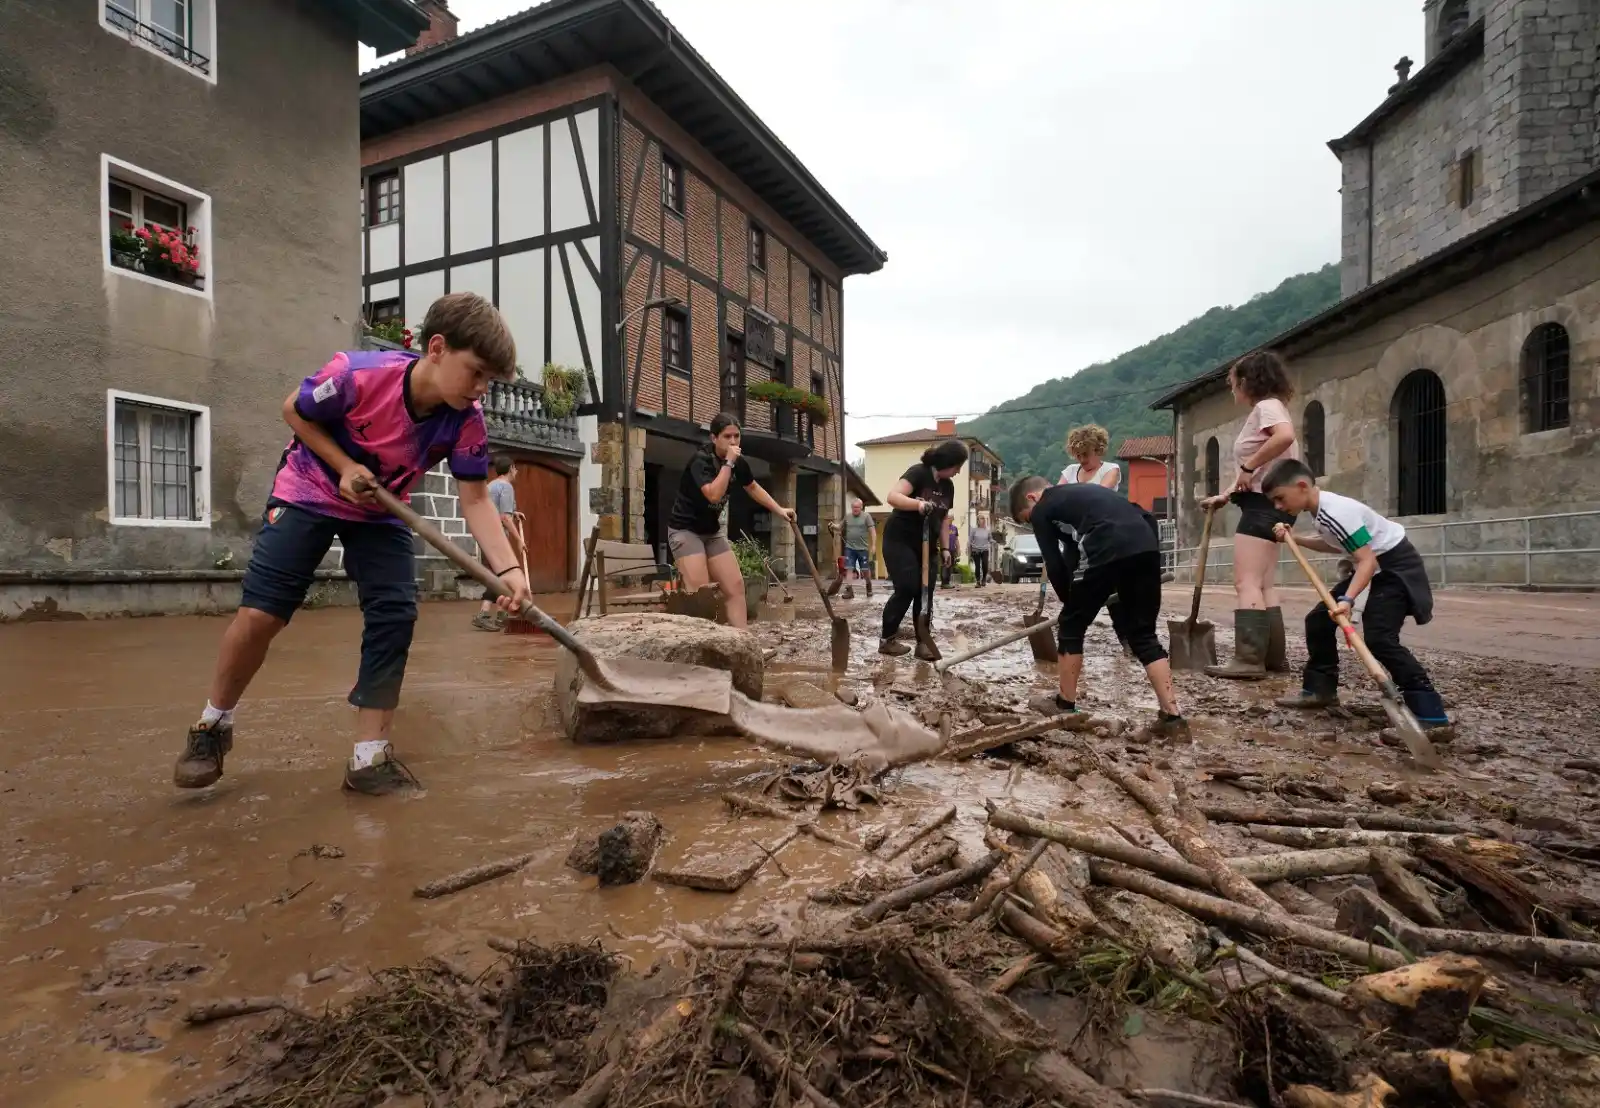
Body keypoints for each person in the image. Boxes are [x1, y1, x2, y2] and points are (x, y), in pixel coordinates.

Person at [173, 292, 530, 796]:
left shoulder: (465, 420)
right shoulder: (358, 375)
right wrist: (343, 467)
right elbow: (293, 411)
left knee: (395, 614)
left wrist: (510, 571)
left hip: (382, 510)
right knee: (262, 615)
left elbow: (474, 501)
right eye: (475, 373)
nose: (479, 391)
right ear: (436, 348)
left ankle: (369, 756)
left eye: (489, 382)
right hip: (308, 490)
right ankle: (212, 726)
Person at [1261, 459, 1452, 740]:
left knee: (1380, 639)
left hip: (1395, 568)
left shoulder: (1335, 512)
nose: (1278, 506)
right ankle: (1319, 690)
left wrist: (1348, 600)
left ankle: (1431, 715)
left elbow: (1367, 561)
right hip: (1376, 565)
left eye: (1279, 498)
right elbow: (1339, 544)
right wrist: (1297, 539)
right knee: (1318, 621)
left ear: (1301, 486)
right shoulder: (1322, 512)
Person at [1010, 476, 1187, 739]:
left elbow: (1054, 561)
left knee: (1071, 626)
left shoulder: (1043, 508)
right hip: (1146, 547)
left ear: (1031, 498)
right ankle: (1173, 719)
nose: (1031, 521)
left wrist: (1068, 604)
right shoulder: (1090, 494)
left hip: (1104, 545)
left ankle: (1065, 705)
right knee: (1143, 634)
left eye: (1026, 518)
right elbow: (1146, 517)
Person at [1198, 350, 1299, 679]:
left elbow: (1284, 438)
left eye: (1233, 384)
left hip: (1262, 507)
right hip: (1272, 503)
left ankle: (1249, 660)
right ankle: (1272, 659)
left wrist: (1247, 464)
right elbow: (1259, 469)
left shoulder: (1266, 407)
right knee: (1265, 583)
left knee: (1247, 582)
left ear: (1246, 381)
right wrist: (1226, 495)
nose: (1232, 390)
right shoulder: (1272, 407)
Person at [667, 413, 795, 629]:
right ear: (714, 438)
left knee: (735, 587)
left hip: (711, 532)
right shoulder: (701, 460)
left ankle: (742, 643)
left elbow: (752, 487)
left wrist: (779, 509)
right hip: (685, 530)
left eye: (737, 436)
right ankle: (703, 647)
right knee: (701, 593)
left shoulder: (739, 463)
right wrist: (728, 463)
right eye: (728, 436)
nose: (734, 442)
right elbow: (714, 495)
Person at [880, 439, 969, 660]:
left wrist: (946, 548)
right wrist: (918, 505)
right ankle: (887, 639)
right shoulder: (918, 473)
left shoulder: (948, 486)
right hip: (899, 539)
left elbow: (944, 519)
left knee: (926, 592)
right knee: (908, 587)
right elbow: (893, 497)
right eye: (957, 467)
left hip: (927, 544)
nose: (958, 472)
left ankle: (923, 643)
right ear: (948, 462)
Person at [472, 453, 522, 631]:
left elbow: (496, 509)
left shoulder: (491, 485)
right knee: (500, 576)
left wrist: (515, 513)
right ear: (510, 469)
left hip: (485, 535)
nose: (516, 471)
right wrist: (519, 540)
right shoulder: (506, 487)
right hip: (497, 538)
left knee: (499, 575)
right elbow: (504, 518)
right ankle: (484, 614)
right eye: (515, 468)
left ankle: (501, 614)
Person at [1058, 424, 1122, 490]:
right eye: (1078, 455)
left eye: (1085, 454)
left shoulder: (1110, 469)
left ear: (1098, 450)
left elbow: (1101, 493)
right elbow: (1057, 494)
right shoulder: (1070, 471)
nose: (1082, 460)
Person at [834, 498, 876, 597]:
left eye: (857, 507)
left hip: (863, 548)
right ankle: (849, 590)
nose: (855, 509)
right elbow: (840, 526)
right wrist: (833, 526)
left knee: (865, 569)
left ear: (861, 507)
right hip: (850, 548)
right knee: (849, 568)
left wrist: (873, 545)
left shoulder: (866, 516)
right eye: (853, 507)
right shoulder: (848, 517)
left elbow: (872, 531)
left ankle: (868, 586)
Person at [969, 514, 991, 587]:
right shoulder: (974, 530)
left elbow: (990, 539)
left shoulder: (987, 530)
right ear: (978, 521)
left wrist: (994, 541)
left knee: (985, 565)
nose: (983, 520)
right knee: (977, 566)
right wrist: (969, 549)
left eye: (984, 518)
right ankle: (978, 581)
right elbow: (970, 540)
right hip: (976, 550)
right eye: (981, 518)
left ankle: (984, 579)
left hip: (985, 549)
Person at [942, 519, 959, 588]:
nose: (950, 520)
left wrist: (958, 549)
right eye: (948, 518)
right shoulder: (943, 527)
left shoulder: (954, 528)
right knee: (945, 565)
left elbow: (956, 539)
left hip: (952, 549)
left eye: (951, 518)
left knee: (950, 565)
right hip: (945, 549)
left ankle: (947, 582)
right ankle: (944, 582)